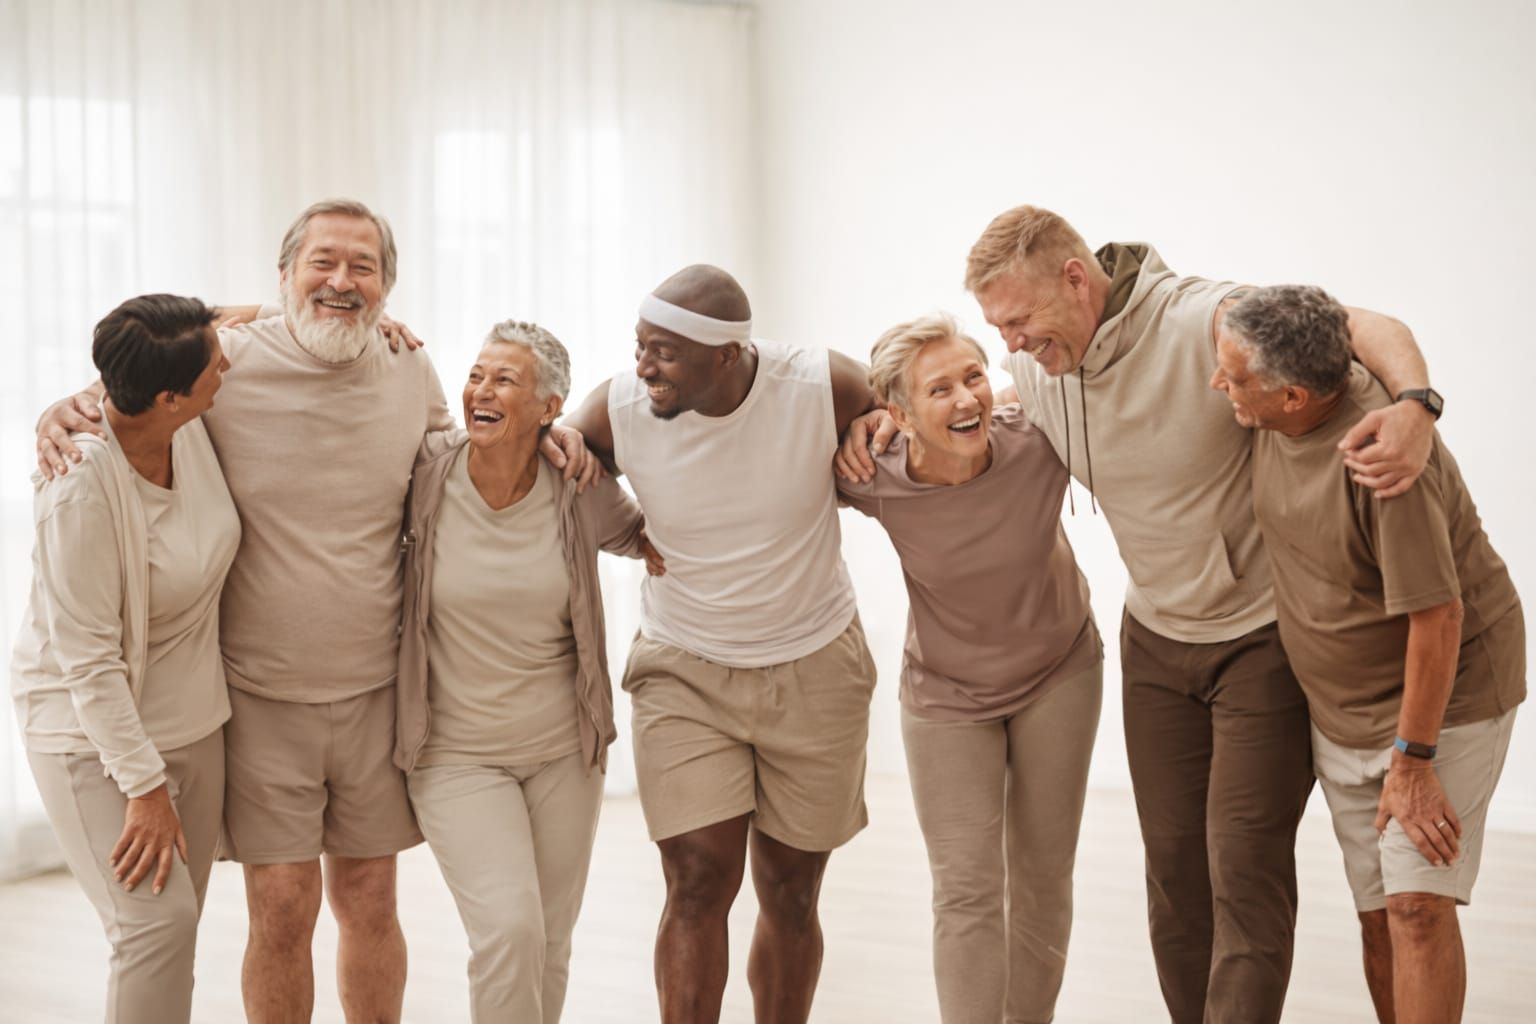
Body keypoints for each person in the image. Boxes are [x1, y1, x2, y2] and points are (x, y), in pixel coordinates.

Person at [839, 205, 1439, 1023]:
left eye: (1017, 321)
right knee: (1173, 876)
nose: (1010, 345)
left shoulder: (1200, 318)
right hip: (1155, 641)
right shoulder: (1041, 377)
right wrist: (885, 415)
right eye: (997, 329)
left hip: (1256, 635)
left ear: (1076, 280)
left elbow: (1354, 325)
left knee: (1243, 868)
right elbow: (948, 413)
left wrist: (1414, 404)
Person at [32, 198, 593, 1023]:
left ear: (389, 289)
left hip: (375, 695)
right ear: (284, 273)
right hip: (257, 699)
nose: (341, 280)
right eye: (322, 262)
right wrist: (62, 407)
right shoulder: (225, 364)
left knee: (370, 900)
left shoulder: (410, 369)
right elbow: (140, 381)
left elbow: (460, 460)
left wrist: (557, 434)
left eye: (363, 267)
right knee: (283, 907)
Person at [561, 264, 879, 1023]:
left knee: (791, 892)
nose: (644, 368)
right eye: (640, 347)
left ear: (727, 357)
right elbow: (572, 456)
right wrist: (629, 533)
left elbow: (893, 406)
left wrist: (876, 422)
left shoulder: (819, 385)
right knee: (698, 882)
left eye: (664, 353)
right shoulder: (622, 405)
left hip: (815, 662)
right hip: (685, 666)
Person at [1211, 285, 1524, 1024]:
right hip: (1341, 709)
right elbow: (1356, 319)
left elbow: (1439, 619)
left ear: (1293, 395)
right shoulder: (1285, 383)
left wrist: (1412, 761)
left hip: (1444, 699)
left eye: (1234, 377)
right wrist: (1423, 395)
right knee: (1379, 911)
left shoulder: (1382, 468)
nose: (1217, 384)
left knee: (1417, 907)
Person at [836, 313, 1102, 1023]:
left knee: (1043, 879)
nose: (966, 400)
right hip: (946, 697)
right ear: (898, 414)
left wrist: (1014, 392)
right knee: (965, 891)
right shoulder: (873, 477)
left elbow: (1076, 386)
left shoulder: (1037, 443)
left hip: (1059, 670)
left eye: (974, 377)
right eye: (940, 389)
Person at [395, 320, 661, 1023]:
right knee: (508, 930)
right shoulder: (425, 472)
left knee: (549, 940)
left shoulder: (577, 483)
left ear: (550, 408)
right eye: (478, 375)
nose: (481, 390)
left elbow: (645, 539)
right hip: (455, 753)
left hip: (563, 752)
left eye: (504, 380)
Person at [12, 294, 237, 1023]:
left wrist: (371, 309)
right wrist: (143, 786)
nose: (227, 364)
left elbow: (244, 316)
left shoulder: (180, 415)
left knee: (177, 930)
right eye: (214, 368)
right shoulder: (79, 488)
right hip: (91, 736)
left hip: (193, 721)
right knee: (154, 927)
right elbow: (88, 663)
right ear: (170, 398)